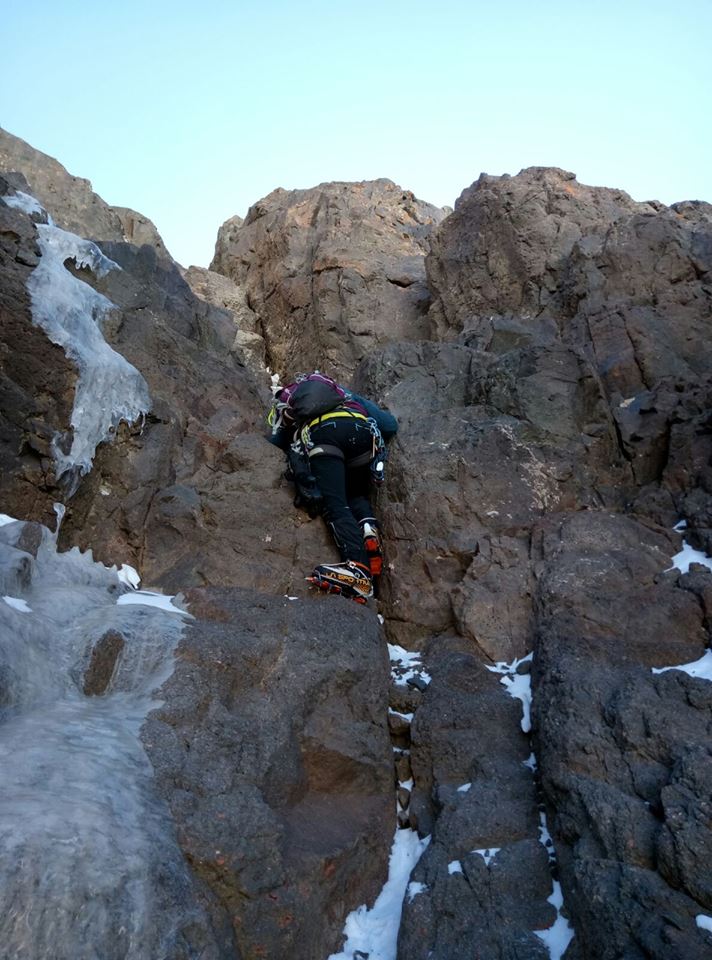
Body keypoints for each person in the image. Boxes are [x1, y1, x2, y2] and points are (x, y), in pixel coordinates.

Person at [267, 371, 397, 601]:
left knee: (335, 503)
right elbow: (389, 425)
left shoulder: (292, 401)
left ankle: (358, 570)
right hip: (363, 438)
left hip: (325, 436)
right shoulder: (345, 394)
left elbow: (277, 441)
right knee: (354, 494)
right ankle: (367, 529)